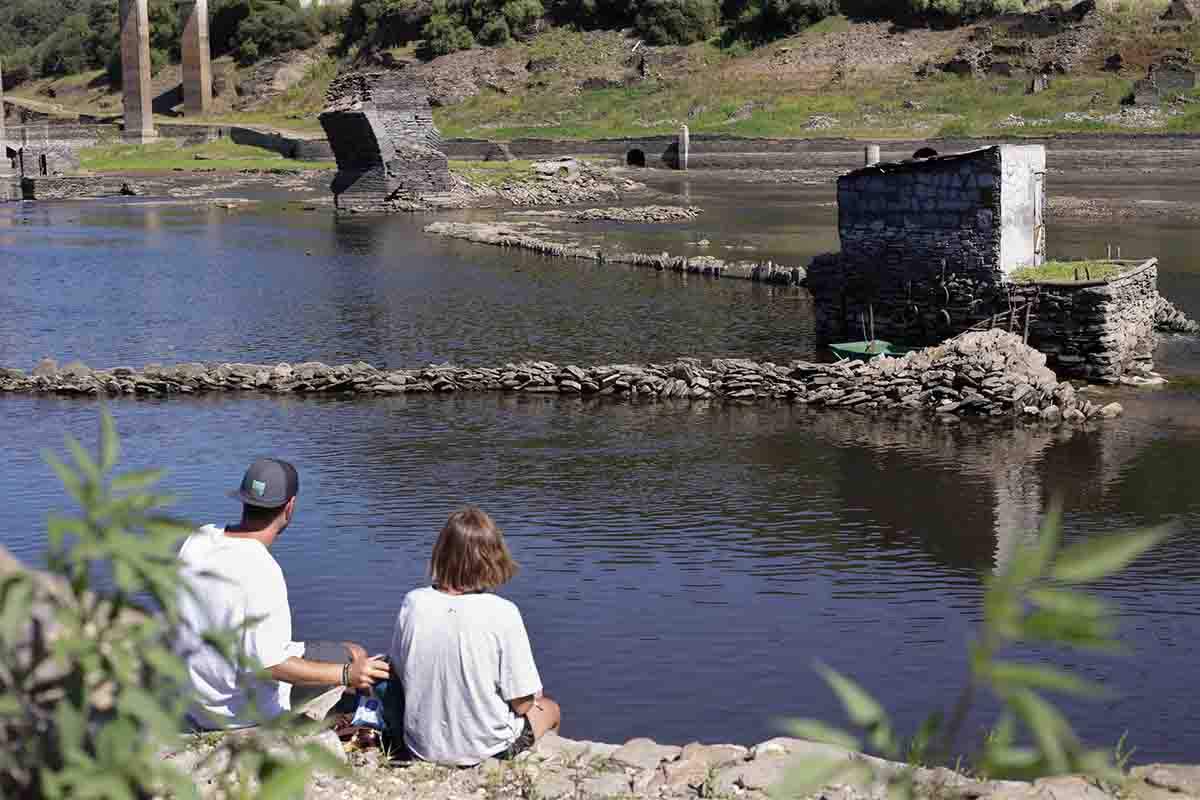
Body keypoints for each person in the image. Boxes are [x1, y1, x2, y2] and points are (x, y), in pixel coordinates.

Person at [177, 457, 390, 730]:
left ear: (244, 501)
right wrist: (347, 674)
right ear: (289, 507)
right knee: (356, 661)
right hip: (239, 715)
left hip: (195, 702)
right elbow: (269, 664)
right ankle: (359, 725)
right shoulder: (262, 569)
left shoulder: (199, 538)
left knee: (351, 650)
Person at [389, 507, 561, 766]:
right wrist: (533, 696)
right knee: (550, 709)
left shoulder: (413, 602)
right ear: (492, 558)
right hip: (487, 751)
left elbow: (401, 675)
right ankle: (534, 768)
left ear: (441, 554)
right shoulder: (503, 612)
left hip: (422, 747)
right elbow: (522, 705)